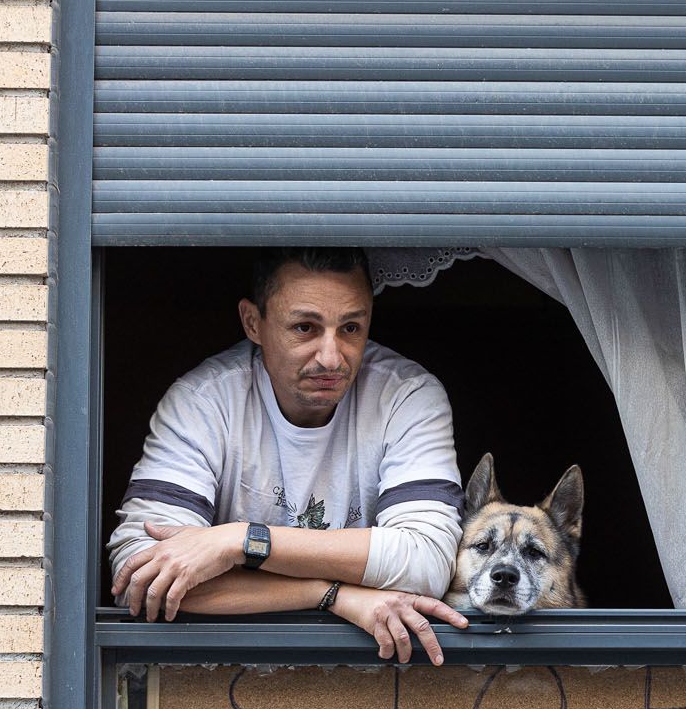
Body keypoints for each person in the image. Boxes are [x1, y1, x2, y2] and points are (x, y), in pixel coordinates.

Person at [108, 247, 468, 665]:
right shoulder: (204, 402)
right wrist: (330, 594)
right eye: (305, 328)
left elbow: (427, 561)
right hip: (216, 680)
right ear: (252, 323)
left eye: (351, 327)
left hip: (370, 676)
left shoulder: (406, 395)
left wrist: (238, 541)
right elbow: (138, 574)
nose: (332, 357)